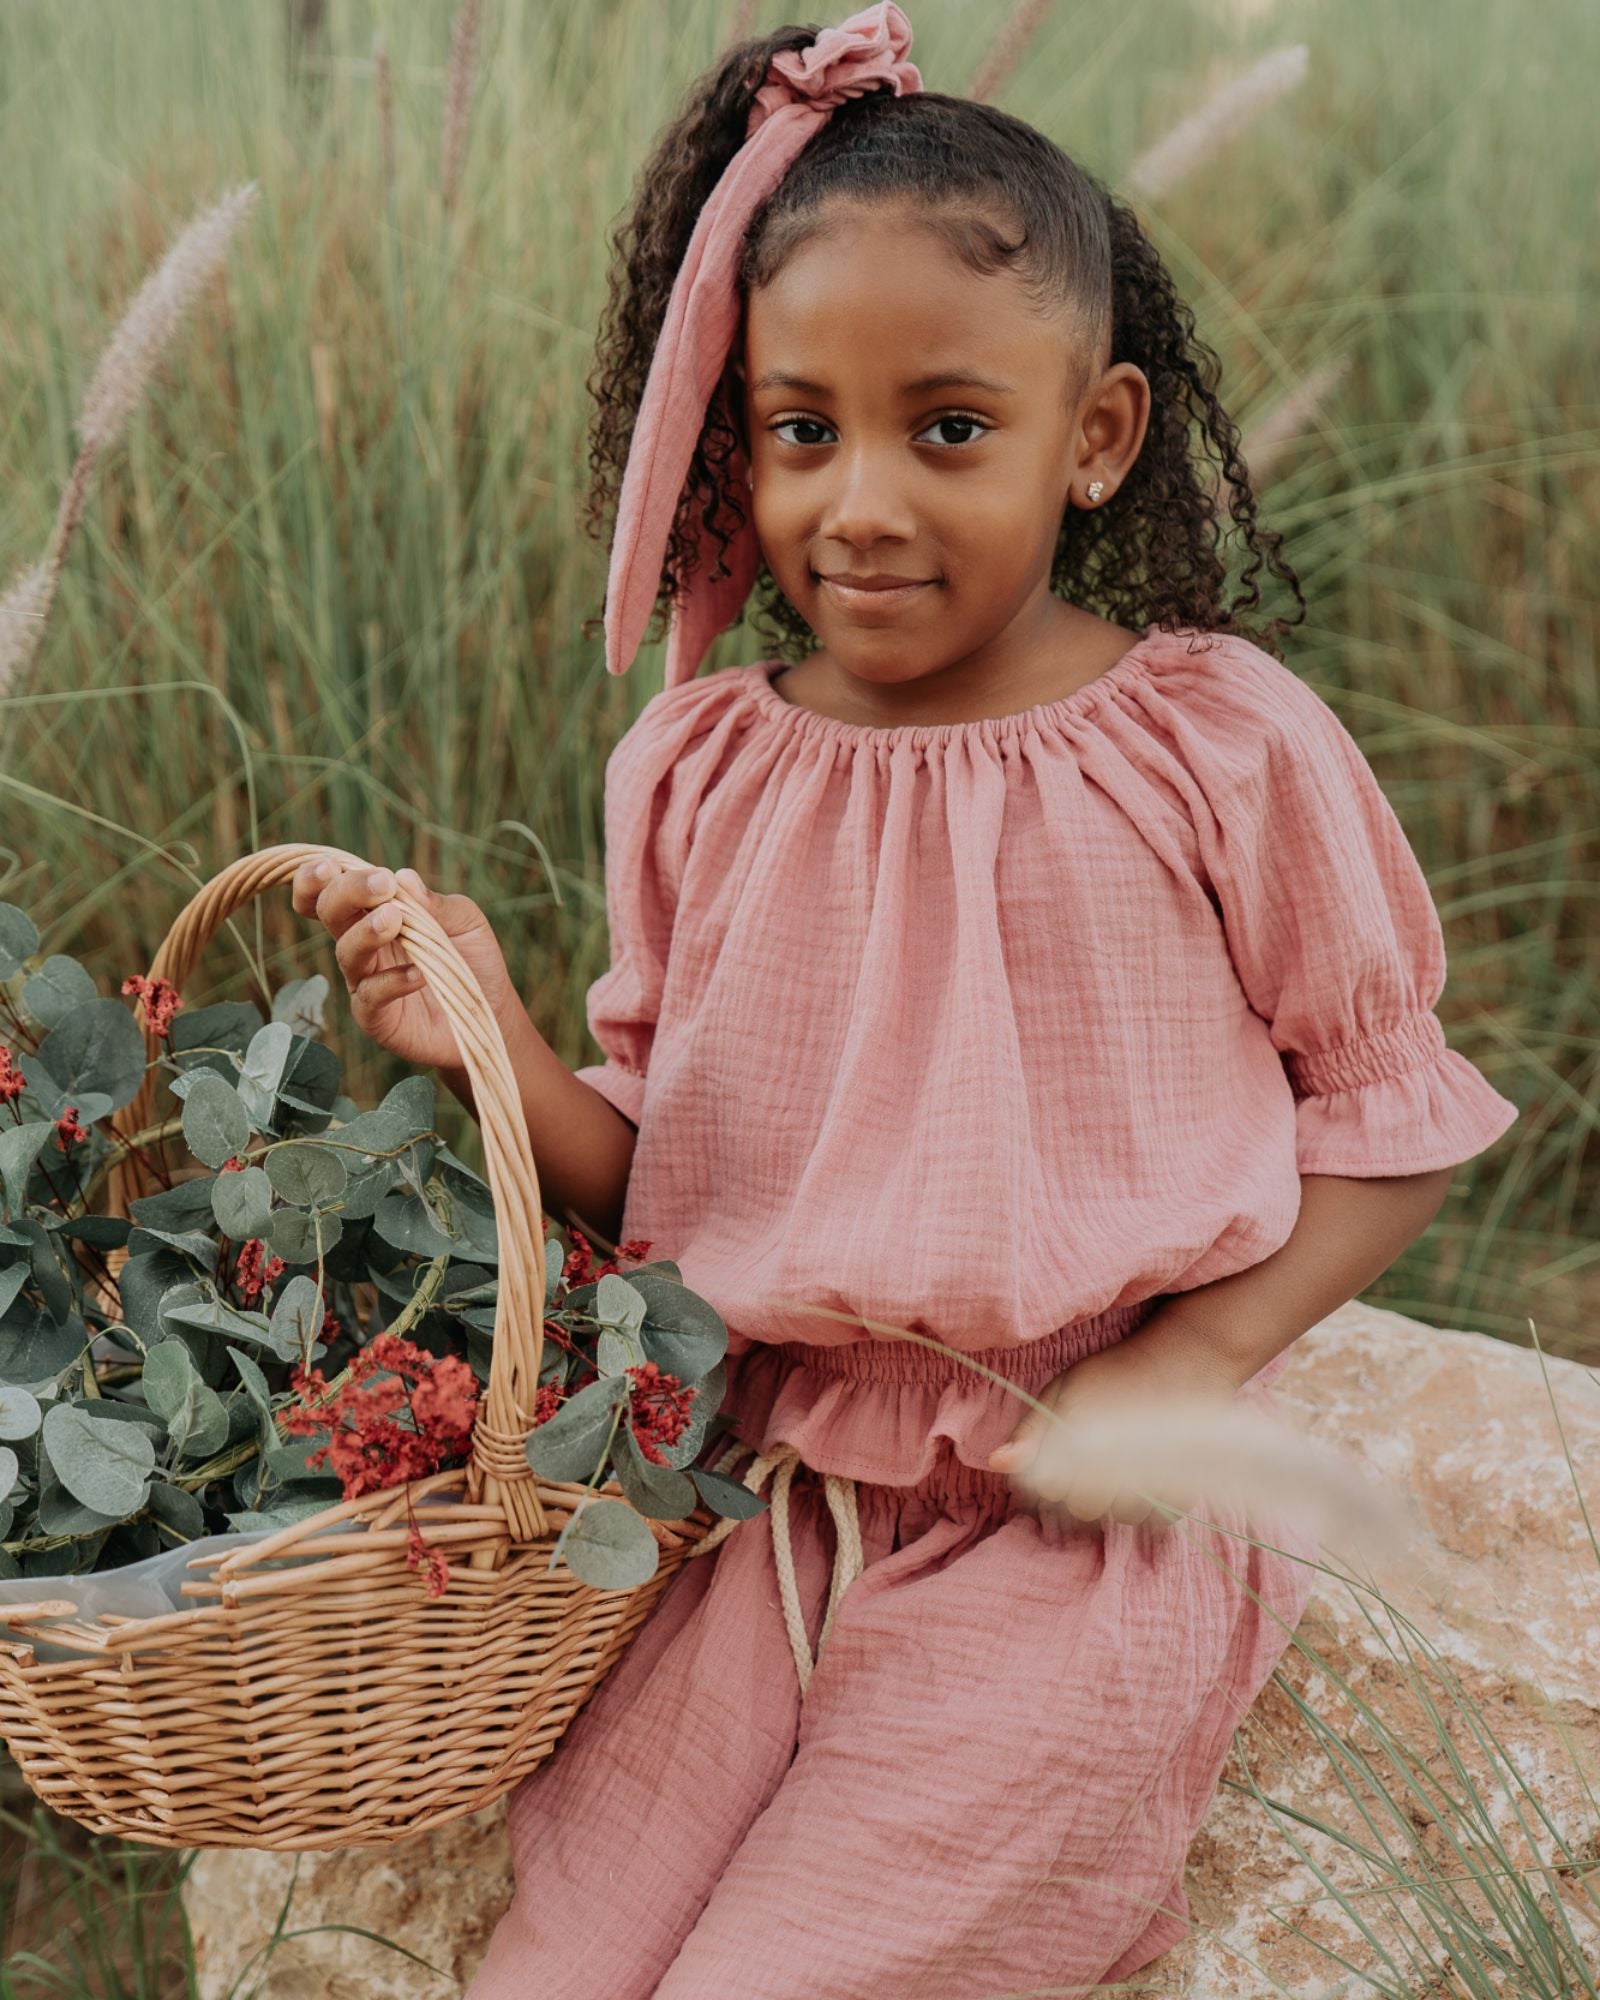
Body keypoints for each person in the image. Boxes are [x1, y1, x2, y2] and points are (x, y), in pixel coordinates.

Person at [294, 6, 1520, 1992]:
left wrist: (1187, 1365)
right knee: (565, 1953)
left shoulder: (1211, 747)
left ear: (1091, 435)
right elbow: (668, 1182)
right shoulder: (694, 768)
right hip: (763, 1504)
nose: (858, 501)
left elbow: (1389, 1118)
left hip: (1075, 1515)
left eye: (947, 429)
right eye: (800, 430)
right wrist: (498, 1053)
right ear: (739, 438)